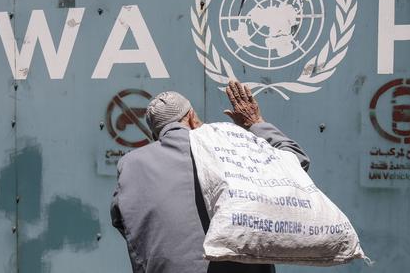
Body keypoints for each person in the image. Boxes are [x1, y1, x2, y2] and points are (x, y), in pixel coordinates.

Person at [110, 80, 310, 273]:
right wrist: (255, 123)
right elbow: (296, 163)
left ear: (156, 134)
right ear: (191, 117)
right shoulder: (227, 146)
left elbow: (121, 219)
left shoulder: (130, 164)